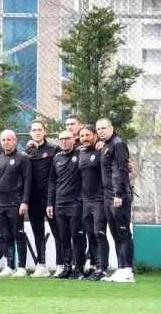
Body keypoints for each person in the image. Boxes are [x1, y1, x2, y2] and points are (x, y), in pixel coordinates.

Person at [96, 118, 135, 283]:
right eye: (99, 129)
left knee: (124, 232)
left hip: (119, 196)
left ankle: (128, 271)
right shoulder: (105, 145)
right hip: (107, 196)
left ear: (111, 128)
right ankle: (120, 269)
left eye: (104, 128)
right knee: (115, 234)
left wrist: (119, 194)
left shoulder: (118, 144)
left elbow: (123, 170)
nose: (101, 131)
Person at [0, 130, 29, 277]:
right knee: (5, 236)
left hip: (16, 203)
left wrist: (24, 201)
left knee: (18, 234)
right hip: (0, 205)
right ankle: (9, 265)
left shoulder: (22, 158)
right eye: (3, 140)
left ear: (15, 141)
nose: (6, 142)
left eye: (8, 140)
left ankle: (22, 267)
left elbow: (27, 181)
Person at [23, 120, 59, 277]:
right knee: (38, 232)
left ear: (44, 132)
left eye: (39, 129)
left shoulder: (54, 149)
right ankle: (41, 265)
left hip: (51, 198)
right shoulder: (27, 151)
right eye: (34, 130)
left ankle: (61, 264)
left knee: (58, 232)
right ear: (30, 133)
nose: (37, 132)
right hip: (33, 198)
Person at [49, 129, 85, 279]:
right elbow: (52, 181)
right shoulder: (56, 158)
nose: (64, 141)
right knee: (63, 237)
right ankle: (67, 267)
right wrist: (50, 203)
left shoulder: (80, 154)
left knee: (77, 236)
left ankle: (79, 268)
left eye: (67, 138)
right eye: (61, 139)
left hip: (76, 203)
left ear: (74, 139)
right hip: (60, 203)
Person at [76, 126, 107, 281]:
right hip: (85, 201)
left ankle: (103, 269)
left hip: (100, 200)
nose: (84, 138)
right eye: (81, 136)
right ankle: (95, 267)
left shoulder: (102, 150)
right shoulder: (80, 152)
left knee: (99, 234)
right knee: (90, 235)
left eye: (87, 135)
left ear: (94, 136)